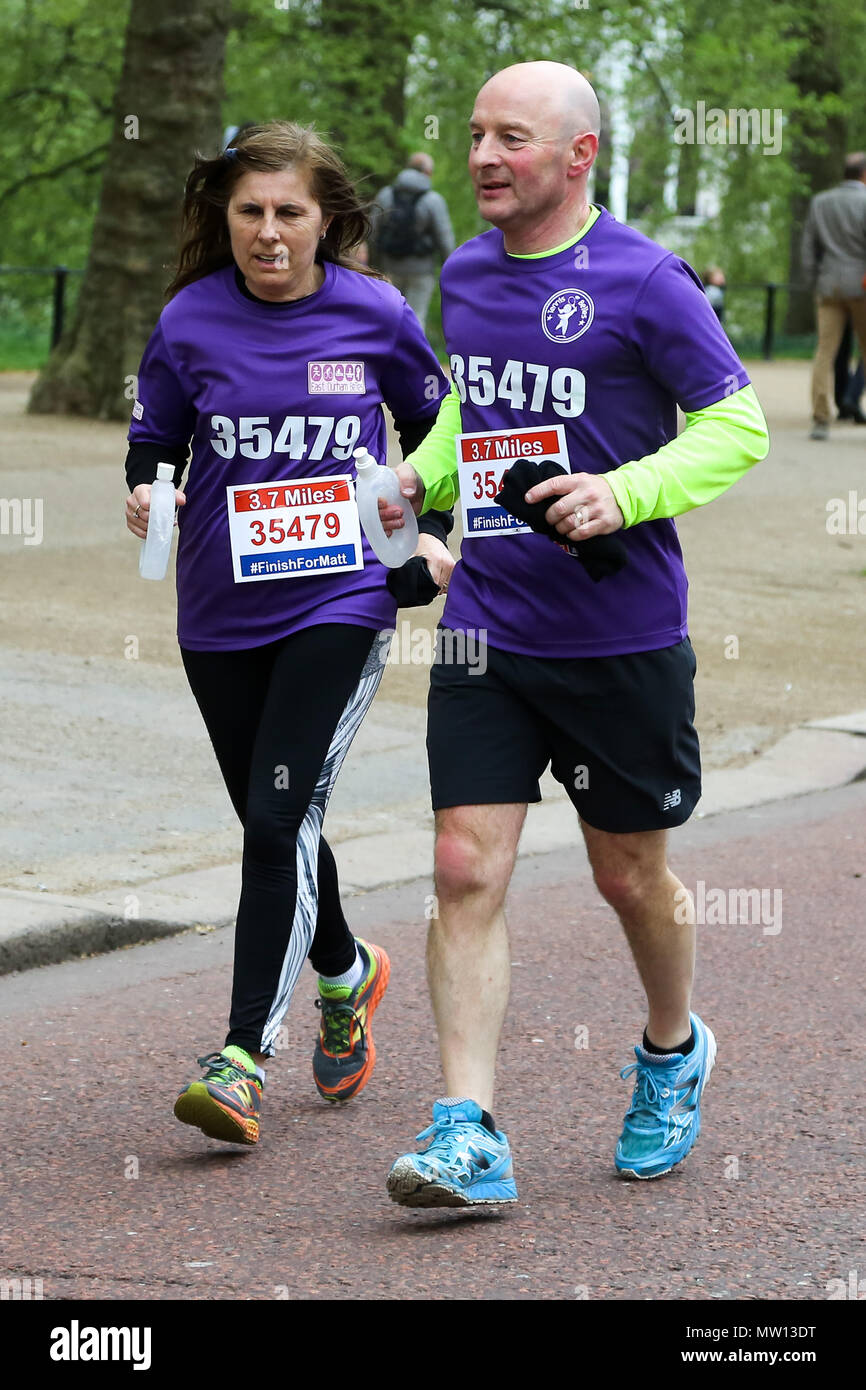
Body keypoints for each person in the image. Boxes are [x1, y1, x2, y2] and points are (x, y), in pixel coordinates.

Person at [378, 61, 770, 1207]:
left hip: (617, 635)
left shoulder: (647, 282)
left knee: (626, 873)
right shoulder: (463, 268)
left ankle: (668, 1049)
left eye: (511, 139)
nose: (484, 158)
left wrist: (623, 491)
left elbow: (735, 423)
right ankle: (466, 1132)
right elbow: (473, 401)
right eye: (474, 136)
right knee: (461, 866)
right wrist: (422, 472)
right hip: (484, 628)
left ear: (576, 155)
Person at [124, 122, 454, 1146]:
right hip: (218, 610)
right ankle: (348, 969)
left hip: (341, 601)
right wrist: (145, 490)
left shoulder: (376, 313)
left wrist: (436, 539)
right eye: (249, 213)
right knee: (281, 822)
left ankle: (238, 1059)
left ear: (327, 220)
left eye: (289, 213)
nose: (268, 233)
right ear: (224, 217)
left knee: (275, 825)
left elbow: (442, 429)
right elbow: (156, 436)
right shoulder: (188, 319)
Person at [801, 151, 866, 440]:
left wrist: (814, 282)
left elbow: (807, 249)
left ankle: (820, 418)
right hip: (862, 287)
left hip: (828, 287)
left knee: (824, 352)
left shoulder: (821, 202)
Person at [370, 153, 456, 330]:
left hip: (390, 268)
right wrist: (451, 270)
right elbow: (445, 239)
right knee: (416, 318)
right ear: (426, 172)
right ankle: (414, 357)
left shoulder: (385, 195)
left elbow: (372, 232)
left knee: (390, 315)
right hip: (421, 271)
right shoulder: (433, 200)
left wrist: (375, 266)